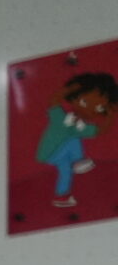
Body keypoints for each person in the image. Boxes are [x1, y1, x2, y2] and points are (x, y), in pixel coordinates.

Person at [37, 72, 114, 209]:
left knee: (65, 171)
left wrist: (111, 116)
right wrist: (70, 89)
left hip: (63, 158)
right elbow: (53, 102)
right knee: (73, 138)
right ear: (73, 99)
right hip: (50, 152)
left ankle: (61, 196)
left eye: (99, 108)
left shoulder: (81, 126)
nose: (88, 110)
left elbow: (98, 131)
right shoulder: (59, 118)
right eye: (84, 102)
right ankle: (78, 160)